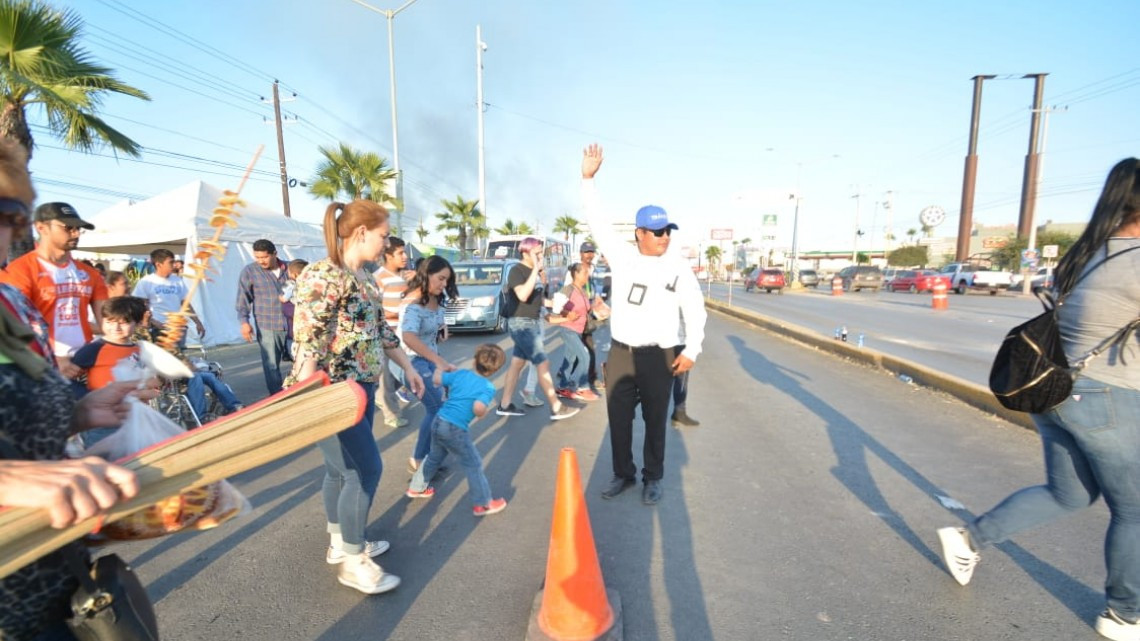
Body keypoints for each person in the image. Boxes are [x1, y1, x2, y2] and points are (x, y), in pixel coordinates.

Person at [937, 158, 1140, 641]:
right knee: (1134, 511)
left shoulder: (1087, 254)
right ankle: (1124, 615)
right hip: (1107, 398)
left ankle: (970, 538)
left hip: (1056, 392)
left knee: (1068, 494)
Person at [0, 138, 146, 641]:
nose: (3, 232)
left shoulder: (7, 303)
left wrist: (79, 413)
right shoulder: (21, 282)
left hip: (54, 576)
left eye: (10, 216)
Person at [286, 199, 424, 596]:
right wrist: (307, 399)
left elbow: (381, 333)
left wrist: (409, 368)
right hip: (331, 392)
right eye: (383, 236)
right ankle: (353, 558)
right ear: (362, 233)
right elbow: (308, 342)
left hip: (360, 389)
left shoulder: (363, 277)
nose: (386, 244)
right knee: (364, 471)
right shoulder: (323, 275)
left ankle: (340, 542)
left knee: (339, 471)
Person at [579, 143, 707, 506]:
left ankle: (654, 477)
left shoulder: (678, 267)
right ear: (639, 233)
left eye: (667, 230)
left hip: (660, 355)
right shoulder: (622, 257)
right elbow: (597, 221)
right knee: (618, 420)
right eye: (656, 231)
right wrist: (587, 180)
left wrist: (692, 349)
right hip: (622, 353)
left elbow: (695, 309)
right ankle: (623, 474)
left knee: (655, 421)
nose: (664, 236)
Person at [73, 296, 243, 425]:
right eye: (110, 322)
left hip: (137, 415)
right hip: (104, 417)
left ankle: (233, 405)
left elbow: (168, 357)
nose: (117, 327)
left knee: (208, 376)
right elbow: (71, 379)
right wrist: (91, 401)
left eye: (124, 323)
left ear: (135, 322)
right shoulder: (95, 349)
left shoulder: (140, 346)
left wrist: (181, 365)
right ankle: (202, 416)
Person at [0, 202, 107, 377]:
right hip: (42, 367)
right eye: (68, 227)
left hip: (86, 364)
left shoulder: (89, 274)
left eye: (79, 228)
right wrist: (54, 357)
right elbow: (11, 329)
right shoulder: (19, 272)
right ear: (41, 227)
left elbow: (107, 321)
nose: (76, 233)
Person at [405, 343, 509, 517]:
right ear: (494, 370)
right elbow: (478, 407)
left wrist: (441, 369)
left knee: (434, 456)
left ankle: (416, 488)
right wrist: (482, 411)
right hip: (455, 429)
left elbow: (437, 380)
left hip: (439, 420)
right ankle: (483, 503)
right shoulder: (487, 387)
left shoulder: (461, 374)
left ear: (475, 360)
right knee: (473, 464)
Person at [494, 237, 580, 421]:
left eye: (542, 252)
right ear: (525, 252)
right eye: (537, 253)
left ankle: (504, 404)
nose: (541, 257)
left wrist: (556, 304)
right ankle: (556, 406)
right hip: (521, 323)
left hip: (531, 321)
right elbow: (523, 295)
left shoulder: (536, 272)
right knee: (543, 363)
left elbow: (537, 300)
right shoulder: (516, 271)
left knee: (517, 364)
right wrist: (535, 270)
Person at [399, 255, 459, 473]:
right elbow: (408, 337)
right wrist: (440, 361)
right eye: (440, 279)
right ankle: (418, 459)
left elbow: (435, 332)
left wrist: (441, 333)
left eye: (447, 281)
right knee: (436, 408)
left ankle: (430, 456)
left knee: (444, 408)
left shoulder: (437, 300)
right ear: (427, 274)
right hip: (412, 363)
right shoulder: (414, 302)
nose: (444, 285)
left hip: (431, 360)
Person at [236, 238, 289, 395]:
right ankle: (278, 398)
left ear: (275, 254)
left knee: (303, 361)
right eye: (257, 257)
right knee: (271, 365)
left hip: (294, 324)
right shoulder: (250, 271)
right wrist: (244, 322)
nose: (261, 261)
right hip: (268, 325)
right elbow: (242, 298)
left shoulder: (290, 268)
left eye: (264, 257)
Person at [132, 248, 205, 348]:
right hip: (158, 328)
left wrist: (197, 322)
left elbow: (185, 303)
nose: (174, 265)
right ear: (158, 264)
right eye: (170, 262)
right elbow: (141, 306)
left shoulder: (177, 280)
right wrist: (153, 321)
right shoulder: (146, 282)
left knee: (178, 357)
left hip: (177, 327)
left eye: (174, 261)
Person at [373, 236, 410, 428]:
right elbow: (376, 307)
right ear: (388, 255)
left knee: (400, 373)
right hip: (388, 335)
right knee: (387, 377)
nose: (404, 257)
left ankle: (381, 397)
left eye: (405, 252)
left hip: (405, 335)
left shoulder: (406, 276)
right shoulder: (379, 278)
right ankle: (391, 414)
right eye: (400, 253)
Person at [550, 262, 599, 401]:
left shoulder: (582, 291)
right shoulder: (568, 289)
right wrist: (567, 313)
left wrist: (596, 307)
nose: (587, 275)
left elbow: (584, 309)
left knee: (570, 359)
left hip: (578, 330)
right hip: (568, 329)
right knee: (585, 356)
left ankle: (562, 387)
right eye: (584, 272)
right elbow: (557, 306)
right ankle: (583, 388)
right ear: (576, 274)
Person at [578, 241, 607, 391]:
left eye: (591, 252)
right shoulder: (575, 270)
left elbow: (596, 289)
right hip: (576, 316)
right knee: (579, 349)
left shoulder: (595, 270)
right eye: (586, 252)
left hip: (589, 315)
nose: (589, 255)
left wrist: (598, 299)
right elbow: (567, 291)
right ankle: (571, 379)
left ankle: (591, 378)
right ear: (580, 254)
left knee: (588, 347)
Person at [279, 258, 308, 361]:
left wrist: (282, 299)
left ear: (294, 274)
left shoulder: (291, 283)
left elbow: (286, 298)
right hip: (307, 332)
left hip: (296, 332)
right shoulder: (310, 285)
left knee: (298, 362)